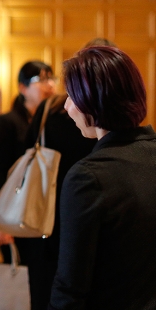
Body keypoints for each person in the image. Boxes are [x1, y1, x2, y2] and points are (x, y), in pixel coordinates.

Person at [48, 46, 156, 309]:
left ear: (91, 101)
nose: (66, 106)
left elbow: (71, 286)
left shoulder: (89, 177)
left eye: (72, 96)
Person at [24, 37, 115, 310]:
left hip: (46, 220)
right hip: (92, 220)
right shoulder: (108, 115)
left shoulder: (48, 109)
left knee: (47, 296)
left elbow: (26, 155)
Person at [0, 60, 56, 264]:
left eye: (51, 78)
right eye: (41, 80)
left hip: (43, 211)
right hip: (15, 211)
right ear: (22, 88)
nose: (50, 85)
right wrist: (0, 223)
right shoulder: (8, 122)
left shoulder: (55, 122)